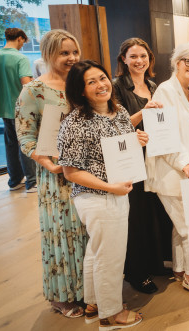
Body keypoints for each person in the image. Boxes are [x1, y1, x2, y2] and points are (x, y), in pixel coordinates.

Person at [58, 60, 146, 328]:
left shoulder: (118, 112)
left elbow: (120, 147)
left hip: (118, 192)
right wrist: (110, 188)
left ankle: (94, 304)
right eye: (91, 82)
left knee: (97, 252)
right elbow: (71, 172)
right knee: (111, 257)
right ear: (80, 90)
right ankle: (111, 314)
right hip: (97, 197)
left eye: (102, 78)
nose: (101, 85)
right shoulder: (75, 122)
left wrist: (136, 140)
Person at [15, 29, 87, 318]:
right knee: (63, 233)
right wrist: (48, 164)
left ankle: (88, 289)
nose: (72, 58)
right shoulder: (34, 90)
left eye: (74, 52)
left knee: (86, 230)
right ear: (47, 54)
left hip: (86, 168)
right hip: (56, 175)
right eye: (64, 53)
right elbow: (25, 137)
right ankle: (63, 296)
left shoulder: (81, 83)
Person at [144, 43, 189, 298]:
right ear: (177, 62)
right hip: (173, 169)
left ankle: (180, 268)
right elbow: (161, 134)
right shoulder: (166, 91)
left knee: (182, 223)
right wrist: (183, 162)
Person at [113, 37, 172, 294]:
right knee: (135, 216)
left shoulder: (153, 85)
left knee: (153, 211)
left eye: (143, 56)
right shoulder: (116, 87)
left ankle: (155, 263)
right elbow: (115, 126)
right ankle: (136, 272)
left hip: (154, 155)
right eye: (134, 56)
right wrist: (144, 111)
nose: (139, 61)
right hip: (130, 157)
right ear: (123, 59)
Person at [0, 27, 36, 192]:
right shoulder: (20, 58)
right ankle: (32, 182)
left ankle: (14, 181)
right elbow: (26, 84)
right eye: (23, 42)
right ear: (20, 38)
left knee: (11, 144)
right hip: (20, 108)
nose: (22, 46)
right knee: (26, 143)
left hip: (3, 108)